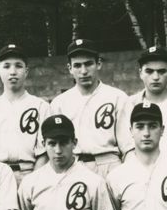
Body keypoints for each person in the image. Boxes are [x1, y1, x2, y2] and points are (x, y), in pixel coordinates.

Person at [49, 39, 130, 178]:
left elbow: (128, 146)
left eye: (88, 64)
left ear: (98, 64)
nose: (83, 71)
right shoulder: (59, 103)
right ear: (70, 68)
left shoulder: (117, 97)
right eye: (77, 66)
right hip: (74, 165)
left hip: (108, 163)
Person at [0, 43, 50, 182]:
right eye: (6, 66)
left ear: (26, 71)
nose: (12, 72)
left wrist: (34, 181)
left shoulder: (41, 106)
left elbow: (44, 152)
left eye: (18, 66)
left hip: (30, 172)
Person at [124, 46, 167, 160]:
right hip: (143, 171)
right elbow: (126, 145)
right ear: (140, 73)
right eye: (149, 71)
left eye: (161, 71)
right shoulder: (129, 104)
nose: (155, 77)